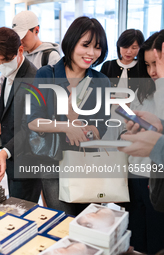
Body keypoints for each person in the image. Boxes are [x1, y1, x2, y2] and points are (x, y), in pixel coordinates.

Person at [27, 16, 110, 215]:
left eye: (97, 47)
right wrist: (66, 126)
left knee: (88, 223)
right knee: (62, 224)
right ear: (71, 42)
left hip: (88, 164)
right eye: (85, 45)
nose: (92, 53)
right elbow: (33, 121)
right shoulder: (46, 75)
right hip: (53, 162)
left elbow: (102, 126)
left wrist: (85, 129)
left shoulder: (101, 81)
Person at [118, 30, 164, 254]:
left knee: (157, 238)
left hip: (157, 178)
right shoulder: (144, 90)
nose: (153, 72)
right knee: (135, 236)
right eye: (147, 65)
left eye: (157, 63)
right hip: (135, 173)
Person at [0, 27, 41, 202]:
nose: (0, 66)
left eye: (4, 61)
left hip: (27, 159)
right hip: (12, 156)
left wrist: (6, 151)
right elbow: (8, 107)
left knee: (23, 208)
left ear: (20, 50)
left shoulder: (34, 79)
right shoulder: (8, 74)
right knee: (15, 202)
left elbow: (32, 127)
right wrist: (0, 121)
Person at [100, 29, 144, 142]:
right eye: (125, 47)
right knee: (108, 148)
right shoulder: (108, 66)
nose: (129, 52)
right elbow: (98, 91)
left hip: (133, 117)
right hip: (109, 116)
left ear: (140, 48)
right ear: (119, 46)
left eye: (134, 48)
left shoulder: (142, 68)